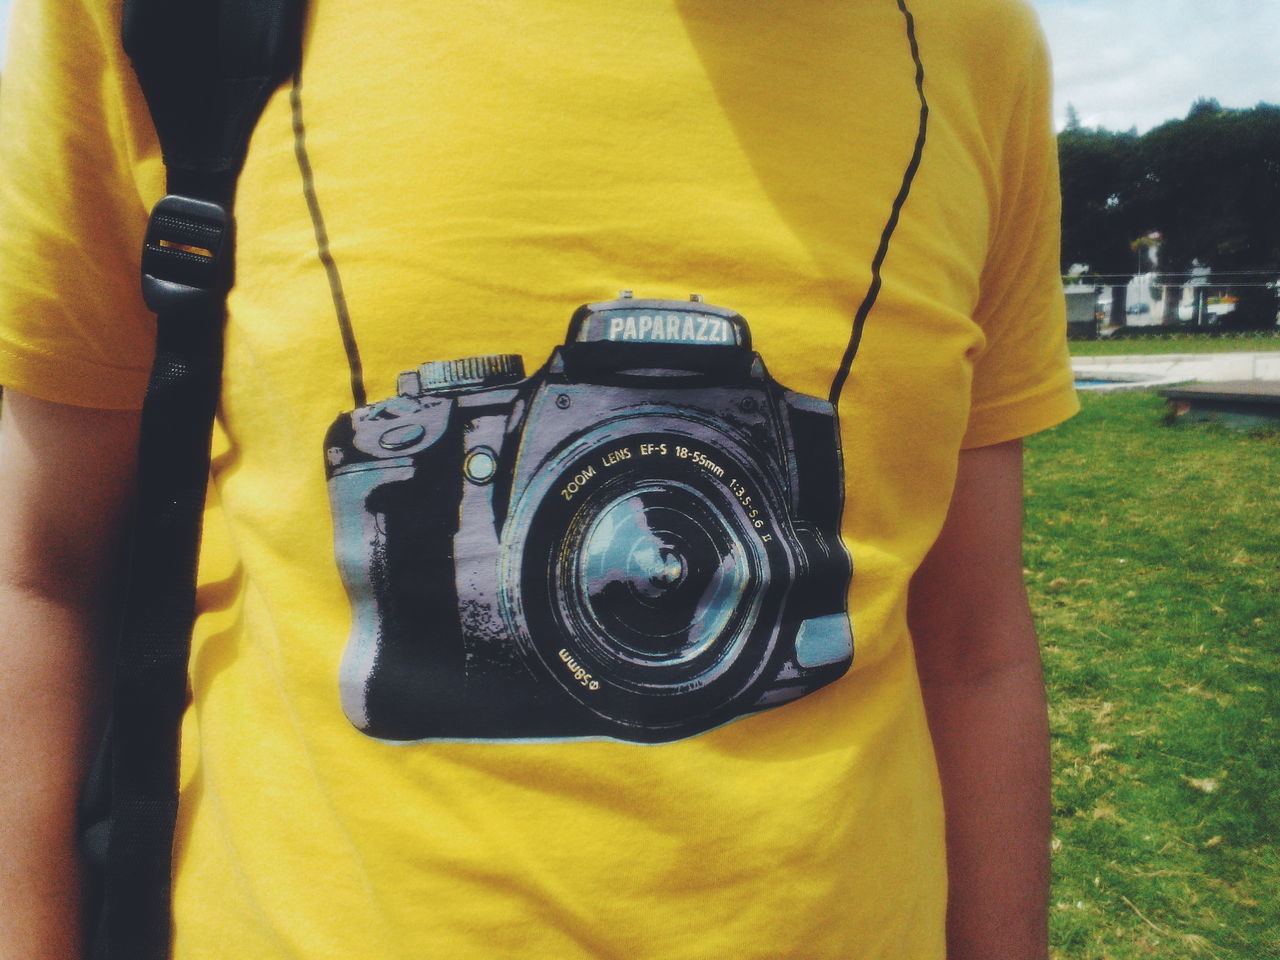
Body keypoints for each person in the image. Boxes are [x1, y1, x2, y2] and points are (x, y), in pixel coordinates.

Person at [0, 0, 1078, 956]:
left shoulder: (972, 41)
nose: (652, 562)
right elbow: (40, 575)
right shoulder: (178, 18)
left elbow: (971, 644)